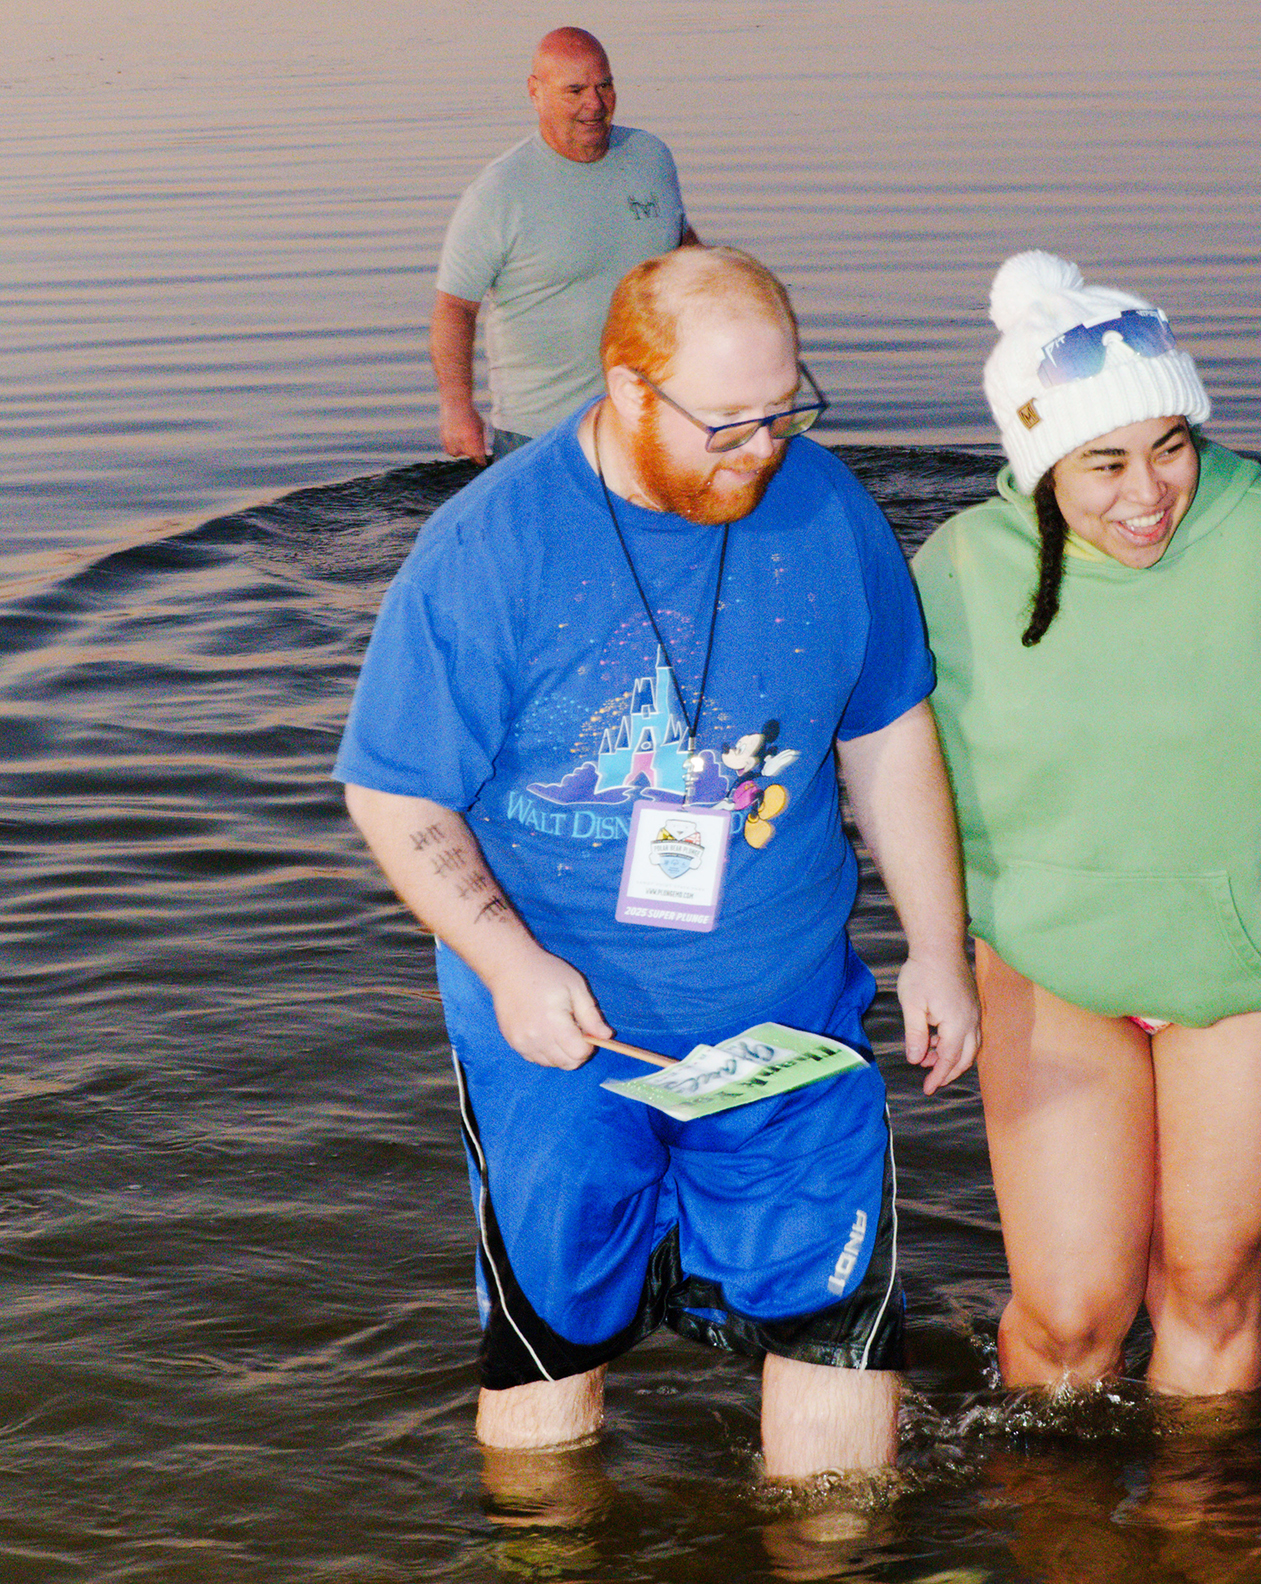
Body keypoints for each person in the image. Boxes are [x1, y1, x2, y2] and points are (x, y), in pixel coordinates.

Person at [337, 245, 979, 1476]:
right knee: (551, 1343)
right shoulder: (491, 548)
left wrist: (937, 953)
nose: (762, 448)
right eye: (726, 422)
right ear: (628, 390)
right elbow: (395, 788)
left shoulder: (830, 509)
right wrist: (508, 963)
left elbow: (890, 735)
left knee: (837, 1328)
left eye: (786, 411)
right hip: (561, 1037)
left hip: (788, 1022)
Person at [911, 251, 1261, 1401]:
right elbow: (893, 775)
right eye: (1105, 461)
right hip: (1050, 960)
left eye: (1172, 445)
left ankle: (1206, 1538)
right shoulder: (960, 574)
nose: (1148, 492)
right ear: (1035, 463)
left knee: (1211, 1284)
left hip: (1254, 957)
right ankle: (1051, 1535)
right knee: (1073, 1316)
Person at [430, 27, 700, 465]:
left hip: (646, 423)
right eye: (575, 90)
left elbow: (686, 255)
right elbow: (455, 308)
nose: (594, 104)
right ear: (535, 92)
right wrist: (457, 407)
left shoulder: (650, 157)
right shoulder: (499, 192)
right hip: (539, 438)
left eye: (605, 85)